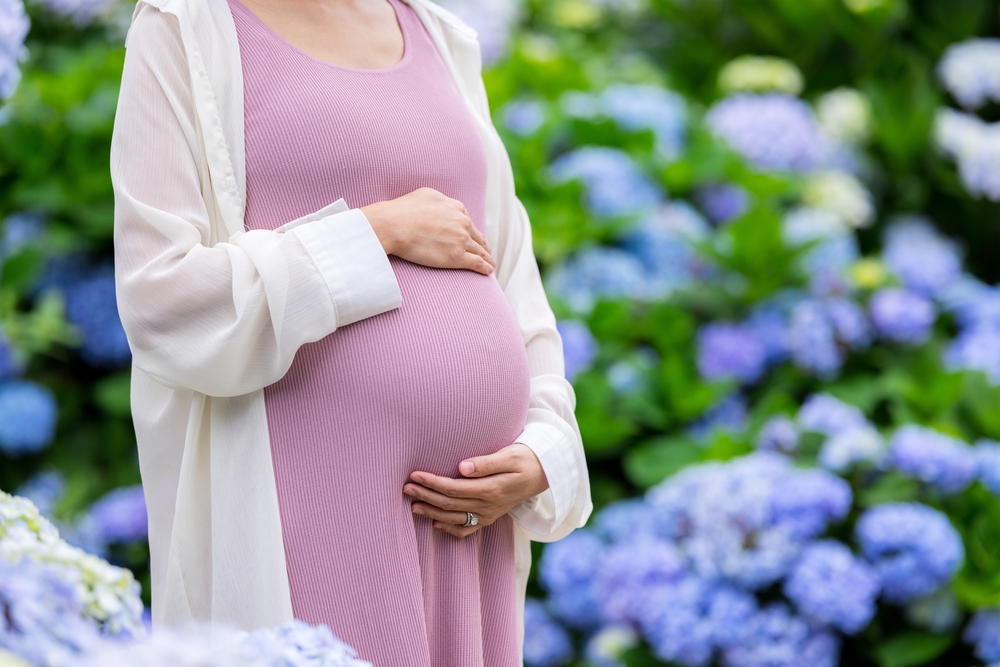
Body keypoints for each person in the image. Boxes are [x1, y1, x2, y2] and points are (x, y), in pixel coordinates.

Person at [110, 0, 592, 664]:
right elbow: (161, 300)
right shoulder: (184, 26)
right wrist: (372, 233)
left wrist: (544, 451)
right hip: (310, 518)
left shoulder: (437, 33)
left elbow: (512, 281)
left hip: (467, 531)